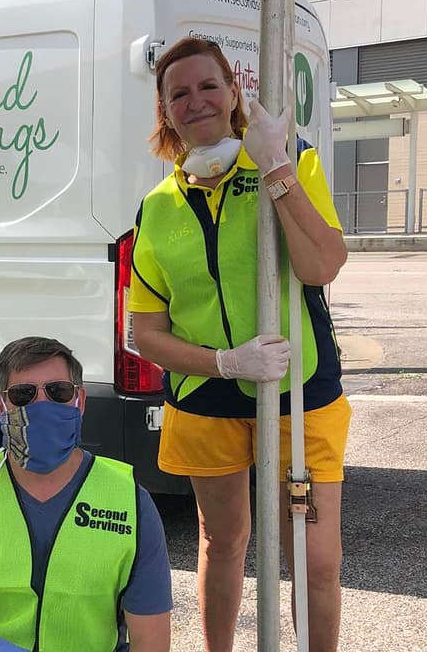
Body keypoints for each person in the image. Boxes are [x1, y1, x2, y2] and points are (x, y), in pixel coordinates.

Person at [128, 37, 350, 652]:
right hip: (205, 399)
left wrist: (275, 165)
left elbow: (323, 265)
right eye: (178, 94)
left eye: (207, 86)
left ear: (233, 94)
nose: (195, 100)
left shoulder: (290, 161)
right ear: (165, 113)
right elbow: (146, 334)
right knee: (221, 543)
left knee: (315, 558)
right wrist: (225, 363)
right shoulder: (156, 208)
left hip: (298, 390)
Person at [0, 336, 172, 652]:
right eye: (23, 395)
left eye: (59, 392)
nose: (41, 405)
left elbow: (152, 642)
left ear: (80, 402)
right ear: (1, 406)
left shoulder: (131, 502)